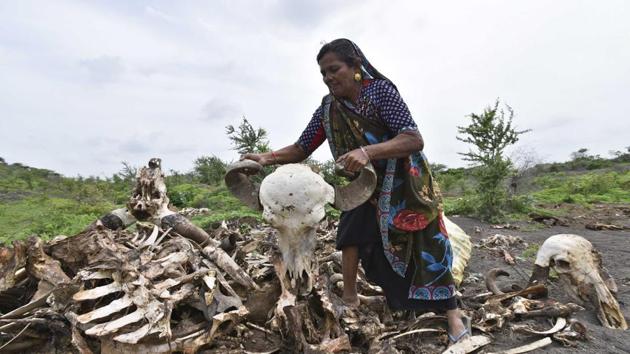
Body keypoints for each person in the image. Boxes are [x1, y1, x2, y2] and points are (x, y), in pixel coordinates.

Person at [242, 38, 469, 343]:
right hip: (365, 181)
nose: (328, 77)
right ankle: (351, 300)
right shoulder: (328, 107)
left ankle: (453, 314)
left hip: (405, 182)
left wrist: (368, 151)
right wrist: (265, 158)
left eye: (334, 69)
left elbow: (413, 139)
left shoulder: (380, 92)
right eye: (323, 73)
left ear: (356, 66)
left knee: (429, 243)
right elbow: (301, 147)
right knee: (351, 232)